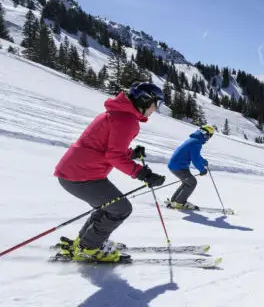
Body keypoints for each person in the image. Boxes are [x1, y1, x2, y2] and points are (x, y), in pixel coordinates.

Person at [53, 82, 166, 263]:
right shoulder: (126, 120)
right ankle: (88, 249)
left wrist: (131, 154)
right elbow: (114, 156)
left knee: (109, 207)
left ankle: (85, 243)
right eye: (156, 104)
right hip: (81, 175)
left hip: (79, 171)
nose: (155, 109)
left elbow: (108, 147)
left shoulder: (119, 114)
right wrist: (143, 174)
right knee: (120, 209)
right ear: (145, 100)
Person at [165, 124, 215, 210]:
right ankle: (178, 202)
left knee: (187, 182)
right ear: (204, 133)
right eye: (208, 136)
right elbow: (195, 159)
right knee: (192, 182)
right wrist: (202, 170)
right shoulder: (196, 143)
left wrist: (203, 162)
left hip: (177, 165)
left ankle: (174, 200)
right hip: (178, 166)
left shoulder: (194, 140)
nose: (208, 138)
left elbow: (196, 156)